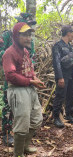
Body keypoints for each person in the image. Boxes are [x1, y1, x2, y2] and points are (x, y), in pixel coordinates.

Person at [2, 22, 45, 157]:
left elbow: (30, 68)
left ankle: (25, 146)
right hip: (18, 90)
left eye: (29, 35)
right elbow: (10, 75)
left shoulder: (25, 51)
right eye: (25, 35)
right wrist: (30, 81)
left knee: (36, 119)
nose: (29, 38)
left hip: (29, 88)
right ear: (16, 36)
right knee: (21, 125)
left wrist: (34, 77)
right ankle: (18, 154)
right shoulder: (9, 53)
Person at [0, 13, 36, 146]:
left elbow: (32, 55)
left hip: (25, 78)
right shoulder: (7, 36)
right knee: (8, 105)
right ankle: (7, 133)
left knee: (24, 108)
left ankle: (21, 133)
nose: (28, 30)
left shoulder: (29, 39)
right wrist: (12, 57)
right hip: (12, 76)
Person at [52, 25, 73, 128]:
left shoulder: (70, 47)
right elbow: (56, 63)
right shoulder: (57, 46)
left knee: (71, 95)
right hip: (63, 76)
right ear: (68, 33)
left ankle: (69, 115)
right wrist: (60, 77)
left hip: (71, 76)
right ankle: (56, 118)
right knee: (60, 96)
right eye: (72, 33)